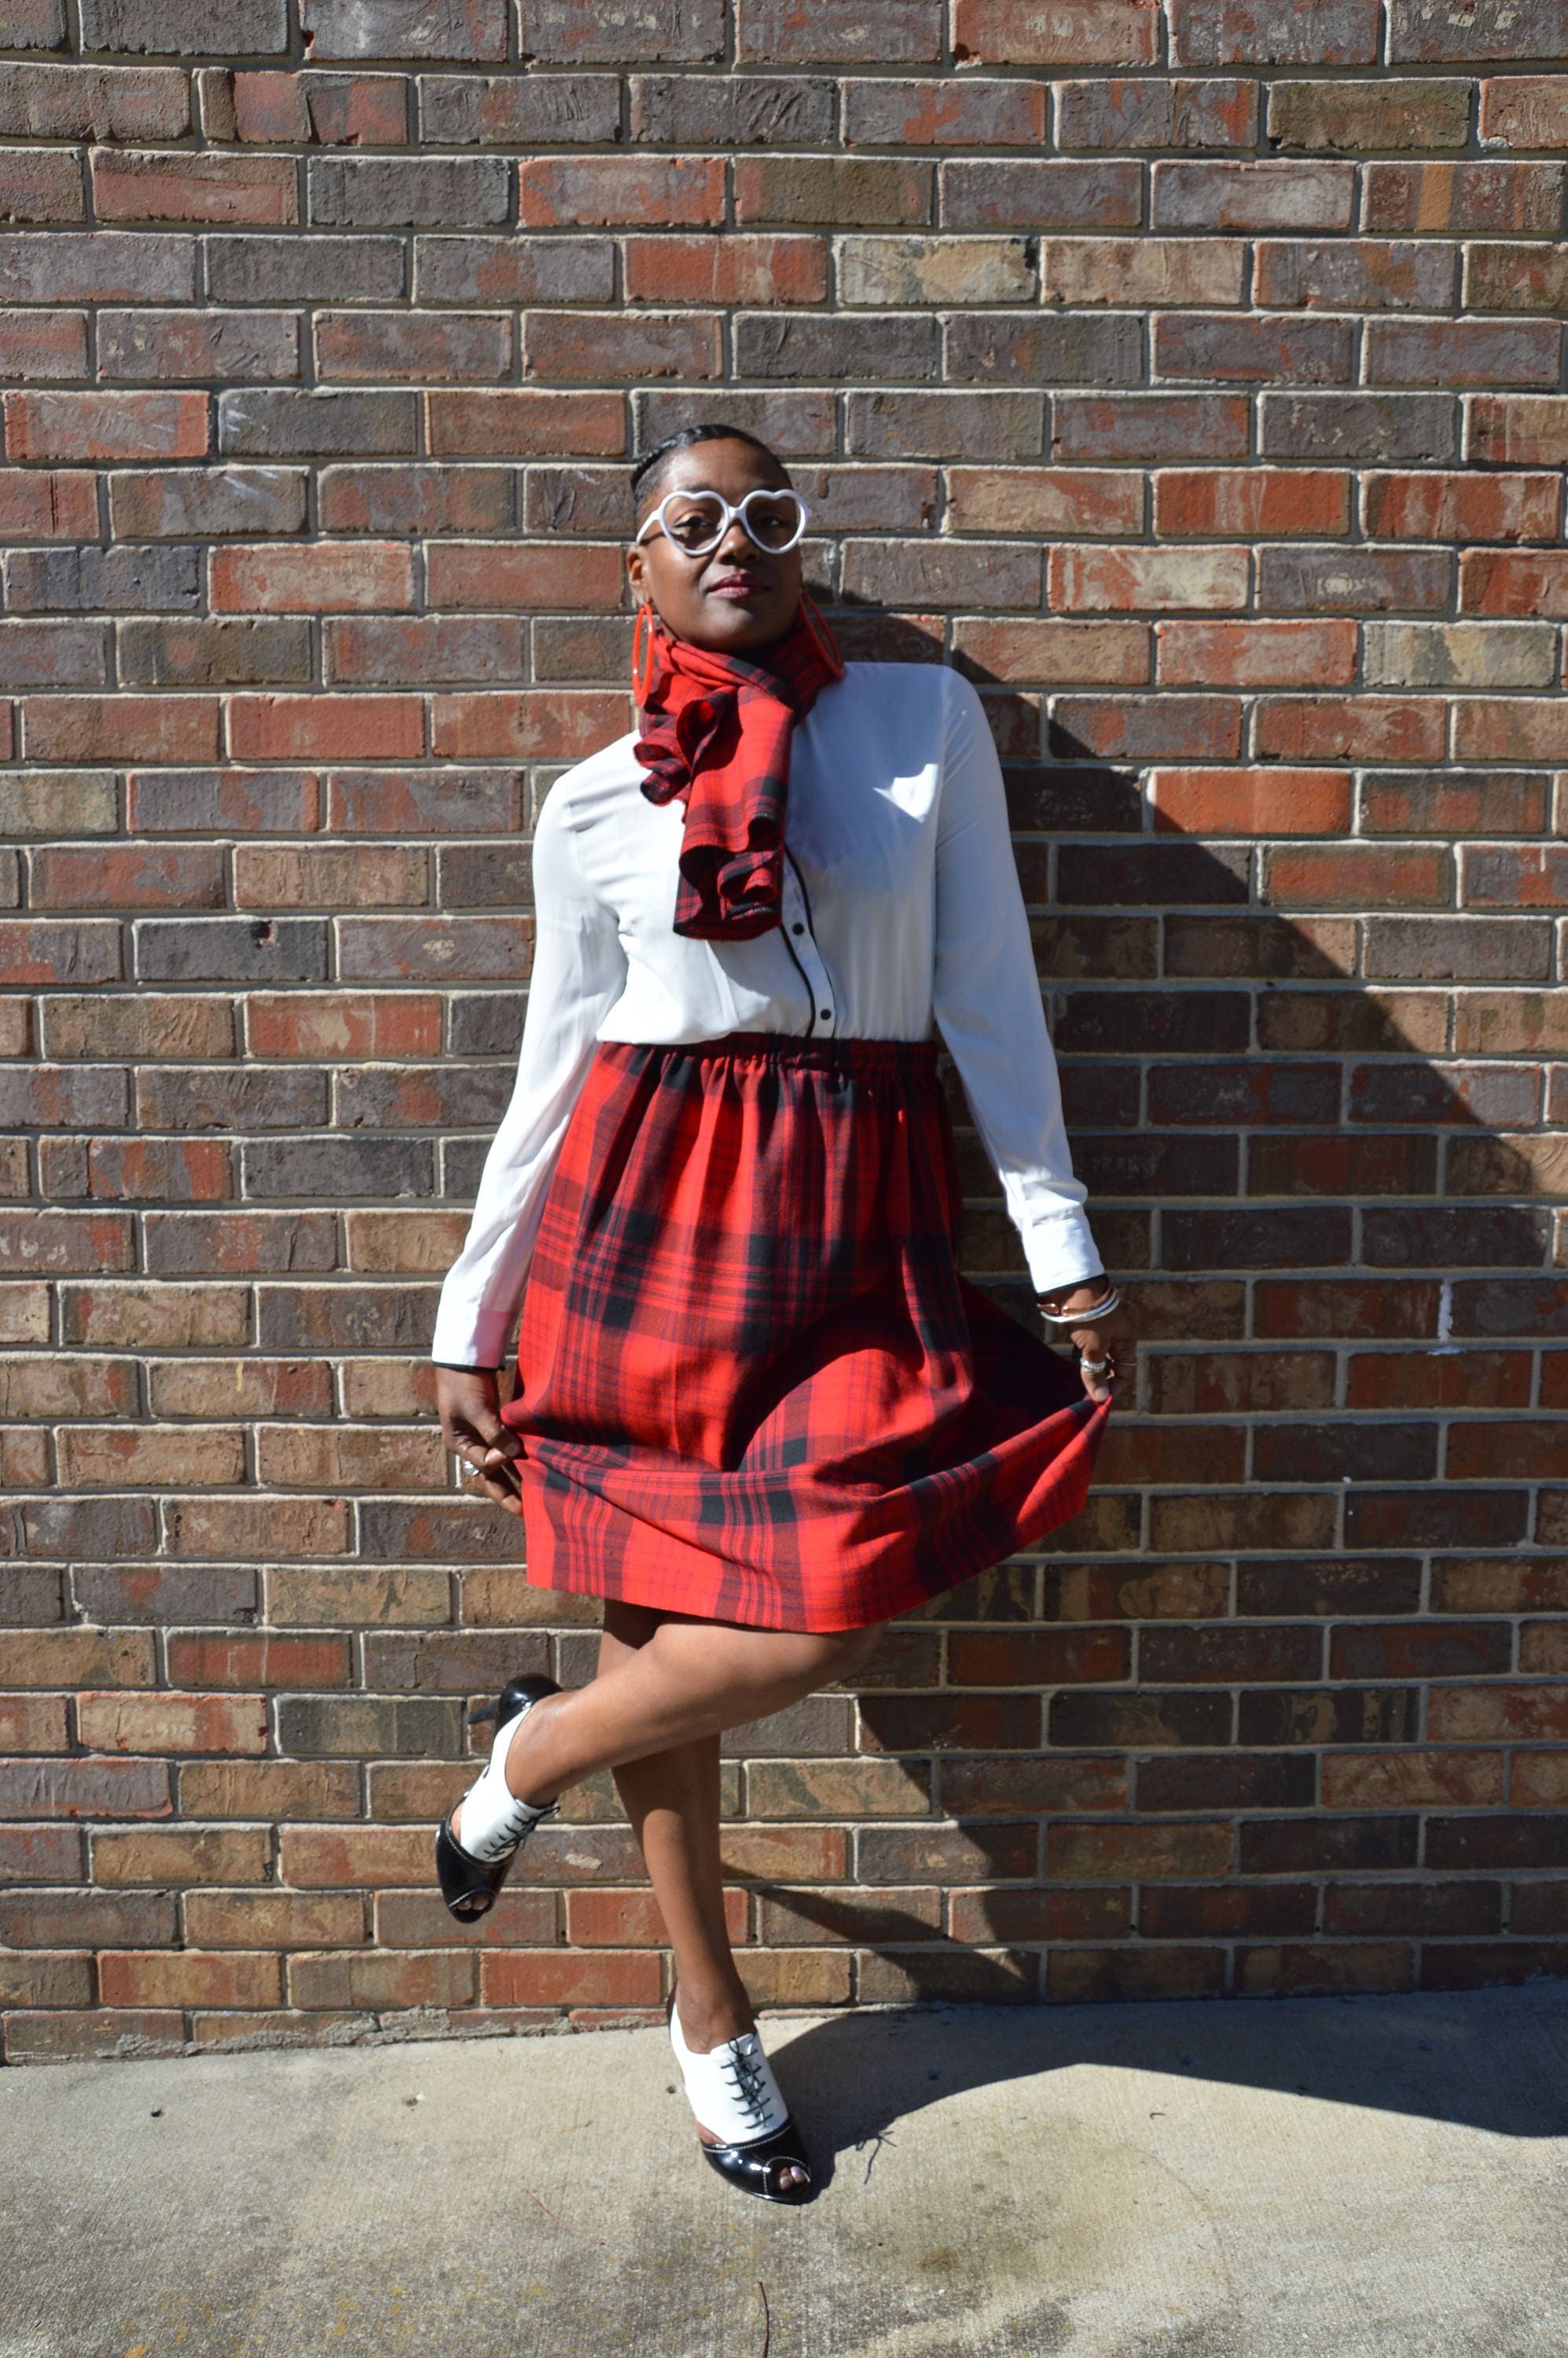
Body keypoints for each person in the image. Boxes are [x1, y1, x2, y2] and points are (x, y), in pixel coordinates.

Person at [429, 422, 1135, 2204]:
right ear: (639, 568)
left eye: (765, 511)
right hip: (638, 1229)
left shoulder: (918, 728)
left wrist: (1057, 1246)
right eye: (690, 518)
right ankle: (710, 2026)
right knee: (656, 1634)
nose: (730, 539)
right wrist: (469, 1313)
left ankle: (526, 1755)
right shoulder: (594, 799)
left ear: (800, 545)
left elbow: (986, 991)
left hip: (853, 1224)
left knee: (814, 1615)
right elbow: (548, 1065)